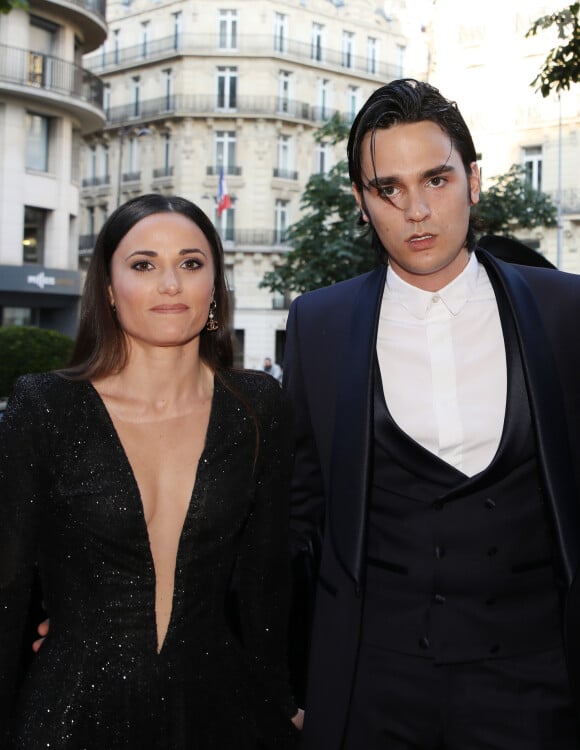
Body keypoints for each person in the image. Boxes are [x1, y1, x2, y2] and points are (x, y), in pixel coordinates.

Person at [284, 79, 580, 750]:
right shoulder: (319, 325)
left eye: (436, 179)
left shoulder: (566, 312)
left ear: (473, 180)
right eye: (388, 188)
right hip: (372, 688)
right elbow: (296, 518)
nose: (416, 209)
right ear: (362, 203)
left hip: (538, 686)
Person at [0, 194, 302, 748]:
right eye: (144, 265)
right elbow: (7, 583)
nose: (171, 284)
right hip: (70, 712)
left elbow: (267, 578)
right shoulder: (45, 408)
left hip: (221, 707)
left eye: (191, 263)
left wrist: (281, 702)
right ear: (110, 291)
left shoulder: (258, 409)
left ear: (215, 287)